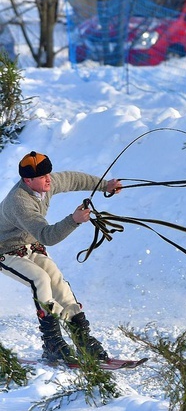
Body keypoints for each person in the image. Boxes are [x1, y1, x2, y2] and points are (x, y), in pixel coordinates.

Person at [0, 151, 122, 363]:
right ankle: (52, 342)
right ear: (27, 180)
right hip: (5, 251)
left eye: (49, 173)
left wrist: (105, 185)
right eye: (42, 177)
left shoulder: (46, 182)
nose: (49, 179)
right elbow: (48, 236)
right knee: (40, 279)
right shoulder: (19, 202)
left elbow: (74, 179)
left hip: (30, 245)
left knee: (57, 280)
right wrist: (73, 220)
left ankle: (82, 338)